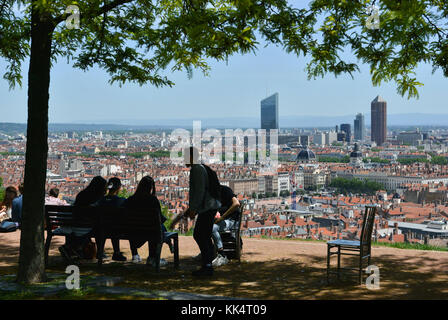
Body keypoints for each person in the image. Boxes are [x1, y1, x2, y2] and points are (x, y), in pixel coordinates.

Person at [185, 146, 221, 277]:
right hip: (209, 206)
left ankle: (207, 266)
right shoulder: (199, 168)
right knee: (203, 235)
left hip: (208, 207)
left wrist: (193, 209)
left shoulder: (197, 169)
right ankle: (207, 264)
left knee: (200, 235)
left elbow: (199, 191)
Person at [58, 176, 107, 262]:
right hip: (87, 229)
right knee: (100, 229)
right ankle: (100, 252)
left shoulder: (81, 195)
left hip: (74, 227)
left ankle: (71, 247)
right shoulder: (100, 199)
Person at [124, 176, 168, 266]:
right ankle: (152, 257)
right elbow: (159, 219)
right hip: (150, 231)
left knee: (134, 225)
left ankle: (135, 254)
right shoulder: (153, 200)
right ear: (151, 188)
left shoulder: (130, 200)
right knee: (157, 228)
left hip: (132, 232)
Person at [93, 177, 127, 261]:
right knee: (114, 226)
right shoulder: (121, 201)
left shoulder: (100, 200)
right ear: (119, 188)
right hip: (116, 229)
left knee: (103, 225)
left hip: (100, 228)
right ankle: (116, 252)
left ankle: (100, 251)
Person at [211, 185, 241, 267]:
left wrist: (222, 217)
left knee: (212, 228)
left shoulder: (225, 190)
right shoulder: (212, 193)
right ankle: (207, 252)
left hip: (232, 220)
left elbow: (236, 203)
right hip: (224, 220)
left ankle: (222, 255)